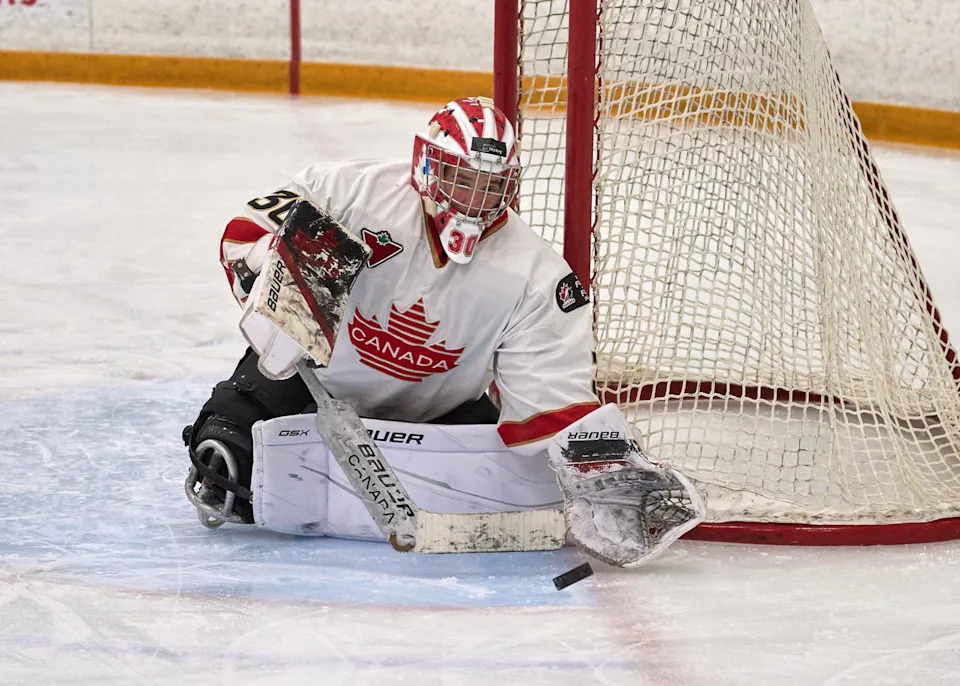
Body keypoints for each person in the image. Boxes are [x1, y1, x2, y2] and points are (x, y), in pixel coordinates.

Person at [183, 96, 704, 567]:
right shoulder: (347, 191)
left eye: (492, 184)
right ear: (427, 164)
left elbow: (551, 396)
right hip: (312, 383)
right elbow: (247, 233)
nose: (477, 197)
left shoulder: (537, 275)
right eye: (462, 177)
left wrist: (601, 471)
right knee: (225, 459)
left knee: (517, 491)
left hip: (437, 413)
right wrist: (269, 265)